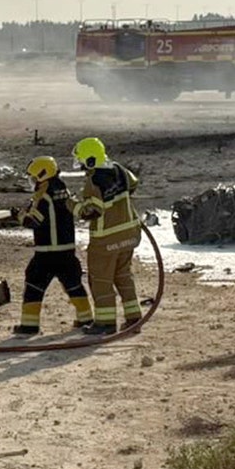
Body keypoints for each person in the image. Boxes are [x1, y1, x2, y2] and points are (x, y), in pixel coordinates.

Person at [10, 156, 94, 336]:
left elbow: (33, 221)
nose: (32, 181)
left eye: (34, 177)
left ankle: (29, 326)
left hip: (47, 252)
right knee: (73, 285)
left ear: (42, 175)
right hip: (67, 251)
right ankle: (86, 319)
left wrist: (18, 216)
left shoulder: (44, 194)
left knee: (34, 285)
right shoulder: (62, 189)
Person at [73, 137, 142, 335]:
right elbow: (133, 184)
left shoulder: (94, 181)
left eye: (81, 160)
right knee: (123, 277)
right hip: (129, 235)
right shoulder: (119, 169)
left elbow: (91, 212)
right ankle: (134, 319)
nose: (81, 165)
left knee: (101, 280)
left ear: (90, 160)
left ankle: (105, 323)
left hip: (106, 241)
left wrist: (71, 204)